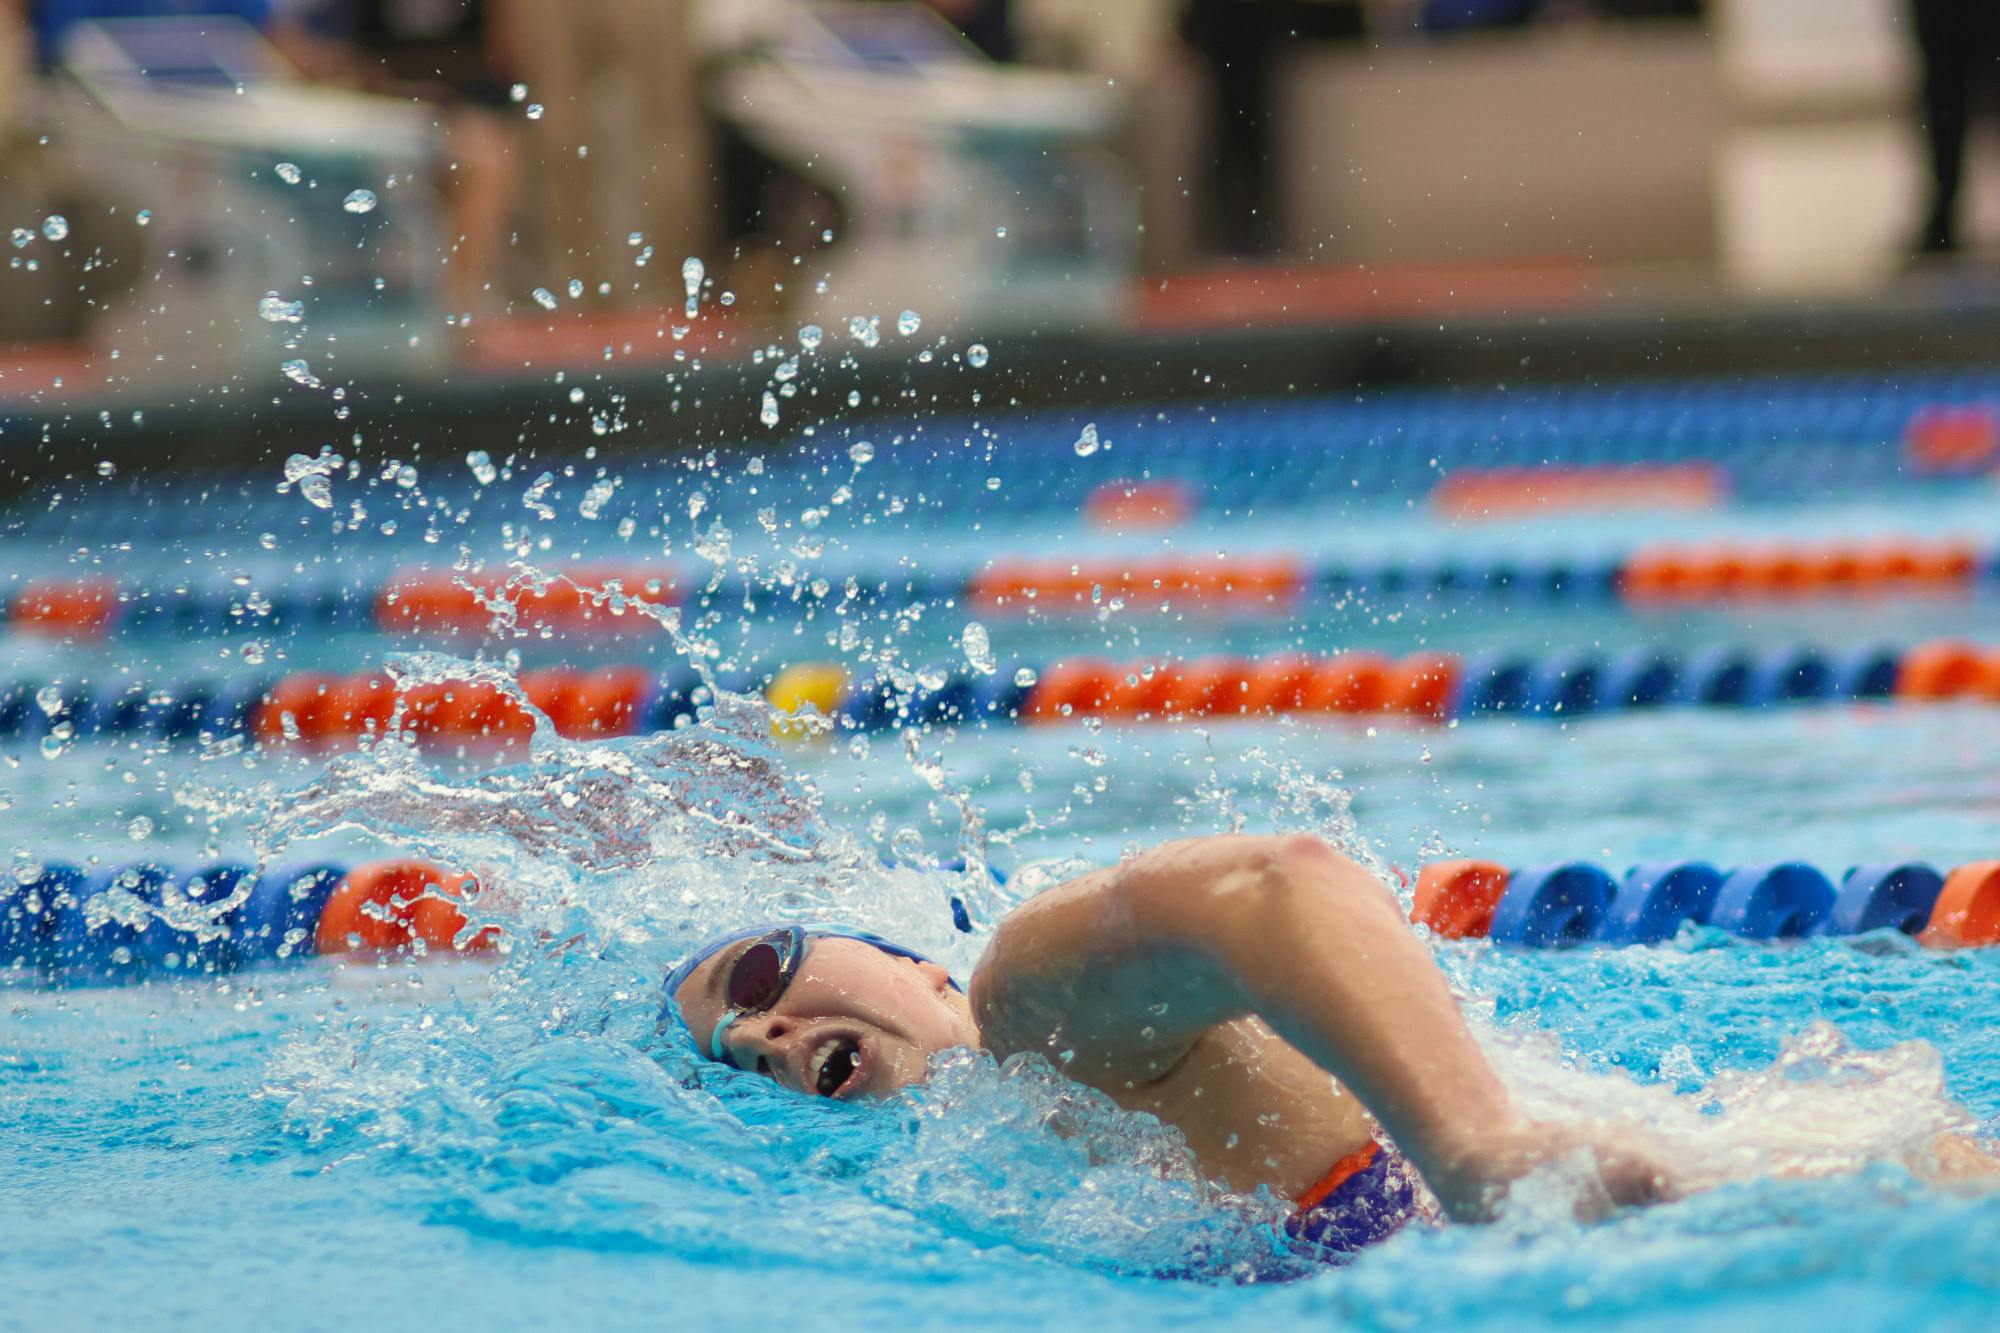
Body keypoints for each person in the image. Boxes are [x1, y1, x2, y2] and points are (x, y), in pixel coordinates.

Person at [664, 832, 2000, 1266]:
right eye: (735, 1051)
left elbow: (1281, 884)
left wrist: (1482, 1148)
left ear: (908, 958)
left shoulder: (1031, 1004)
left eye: (763, 971)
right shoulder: (997, 1187)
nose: (764, 1031)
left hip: (1712, 1210)